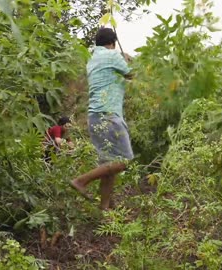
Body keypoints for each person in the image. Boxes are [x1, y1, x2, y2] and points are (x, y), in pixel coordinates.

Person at [70, 27, 133, 211]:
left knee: (108, 166)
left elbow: (116, 79)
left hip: (95, 117)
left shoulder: (92, 61)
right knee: (124, 161)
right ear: (112, 43)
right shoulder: (113, 56)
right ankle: (81, 181)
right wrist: (126, 61)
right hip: (109, 115)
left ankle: (104, 208)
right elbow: (131, 74)